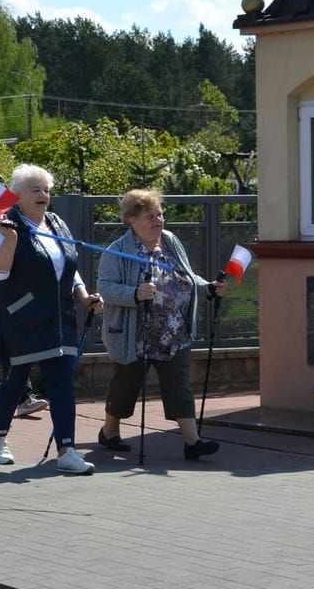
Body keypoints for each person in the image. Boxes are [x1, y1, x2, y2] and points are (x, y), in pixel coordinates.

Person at [0, 165, 103, 474]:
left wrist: (84, 297)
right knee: (15, 380)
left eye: (46, 190)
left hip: (59, 317)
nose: (43, 195)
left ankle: (67, 450)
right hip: (22, 317)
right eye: (35, 190)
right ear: (18, 195)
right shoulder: (4, 226)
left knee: (62, 383)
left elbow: (69, 268)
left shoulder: (57, 223)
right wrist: (9, 240)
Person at [96, 188, 224, 460]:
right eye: (150, 216)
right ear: (131, 219)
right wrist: (135, 294)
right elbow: (105, 288)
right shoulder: (117, 251)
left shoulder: (170, 241)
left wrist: (207, 287)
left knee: (179, 385)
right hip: (135, 334)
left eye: (160, 214)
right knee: (125, 387)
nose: (158, 220)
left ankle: (193, 442)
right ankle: (109, 431)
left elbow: (186, 277)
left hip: (174, 332)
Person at [0, 170, 49, 421]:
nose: (5, 194)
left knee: (11, 342)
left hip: (7, 290)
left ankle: (23, 396)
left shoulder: (10, 218)